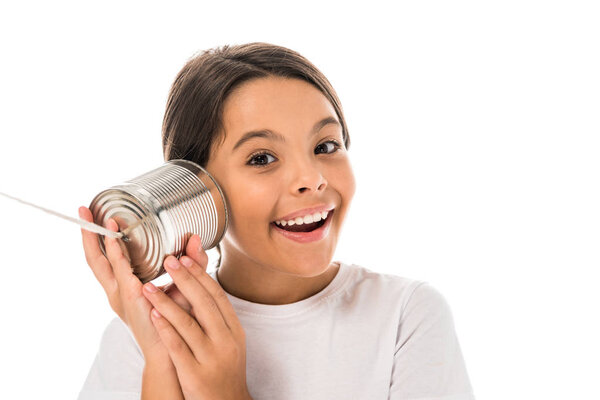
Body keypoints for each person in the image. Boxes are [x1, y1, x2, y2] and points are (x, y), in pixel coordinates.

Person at [77, 42, 475, 400]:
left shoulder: (406, 316)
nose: (311, 179)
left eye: (326, 146)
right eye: (262, 158)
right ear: (195, 187)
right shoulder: (139, 336)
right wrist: (162, 360)